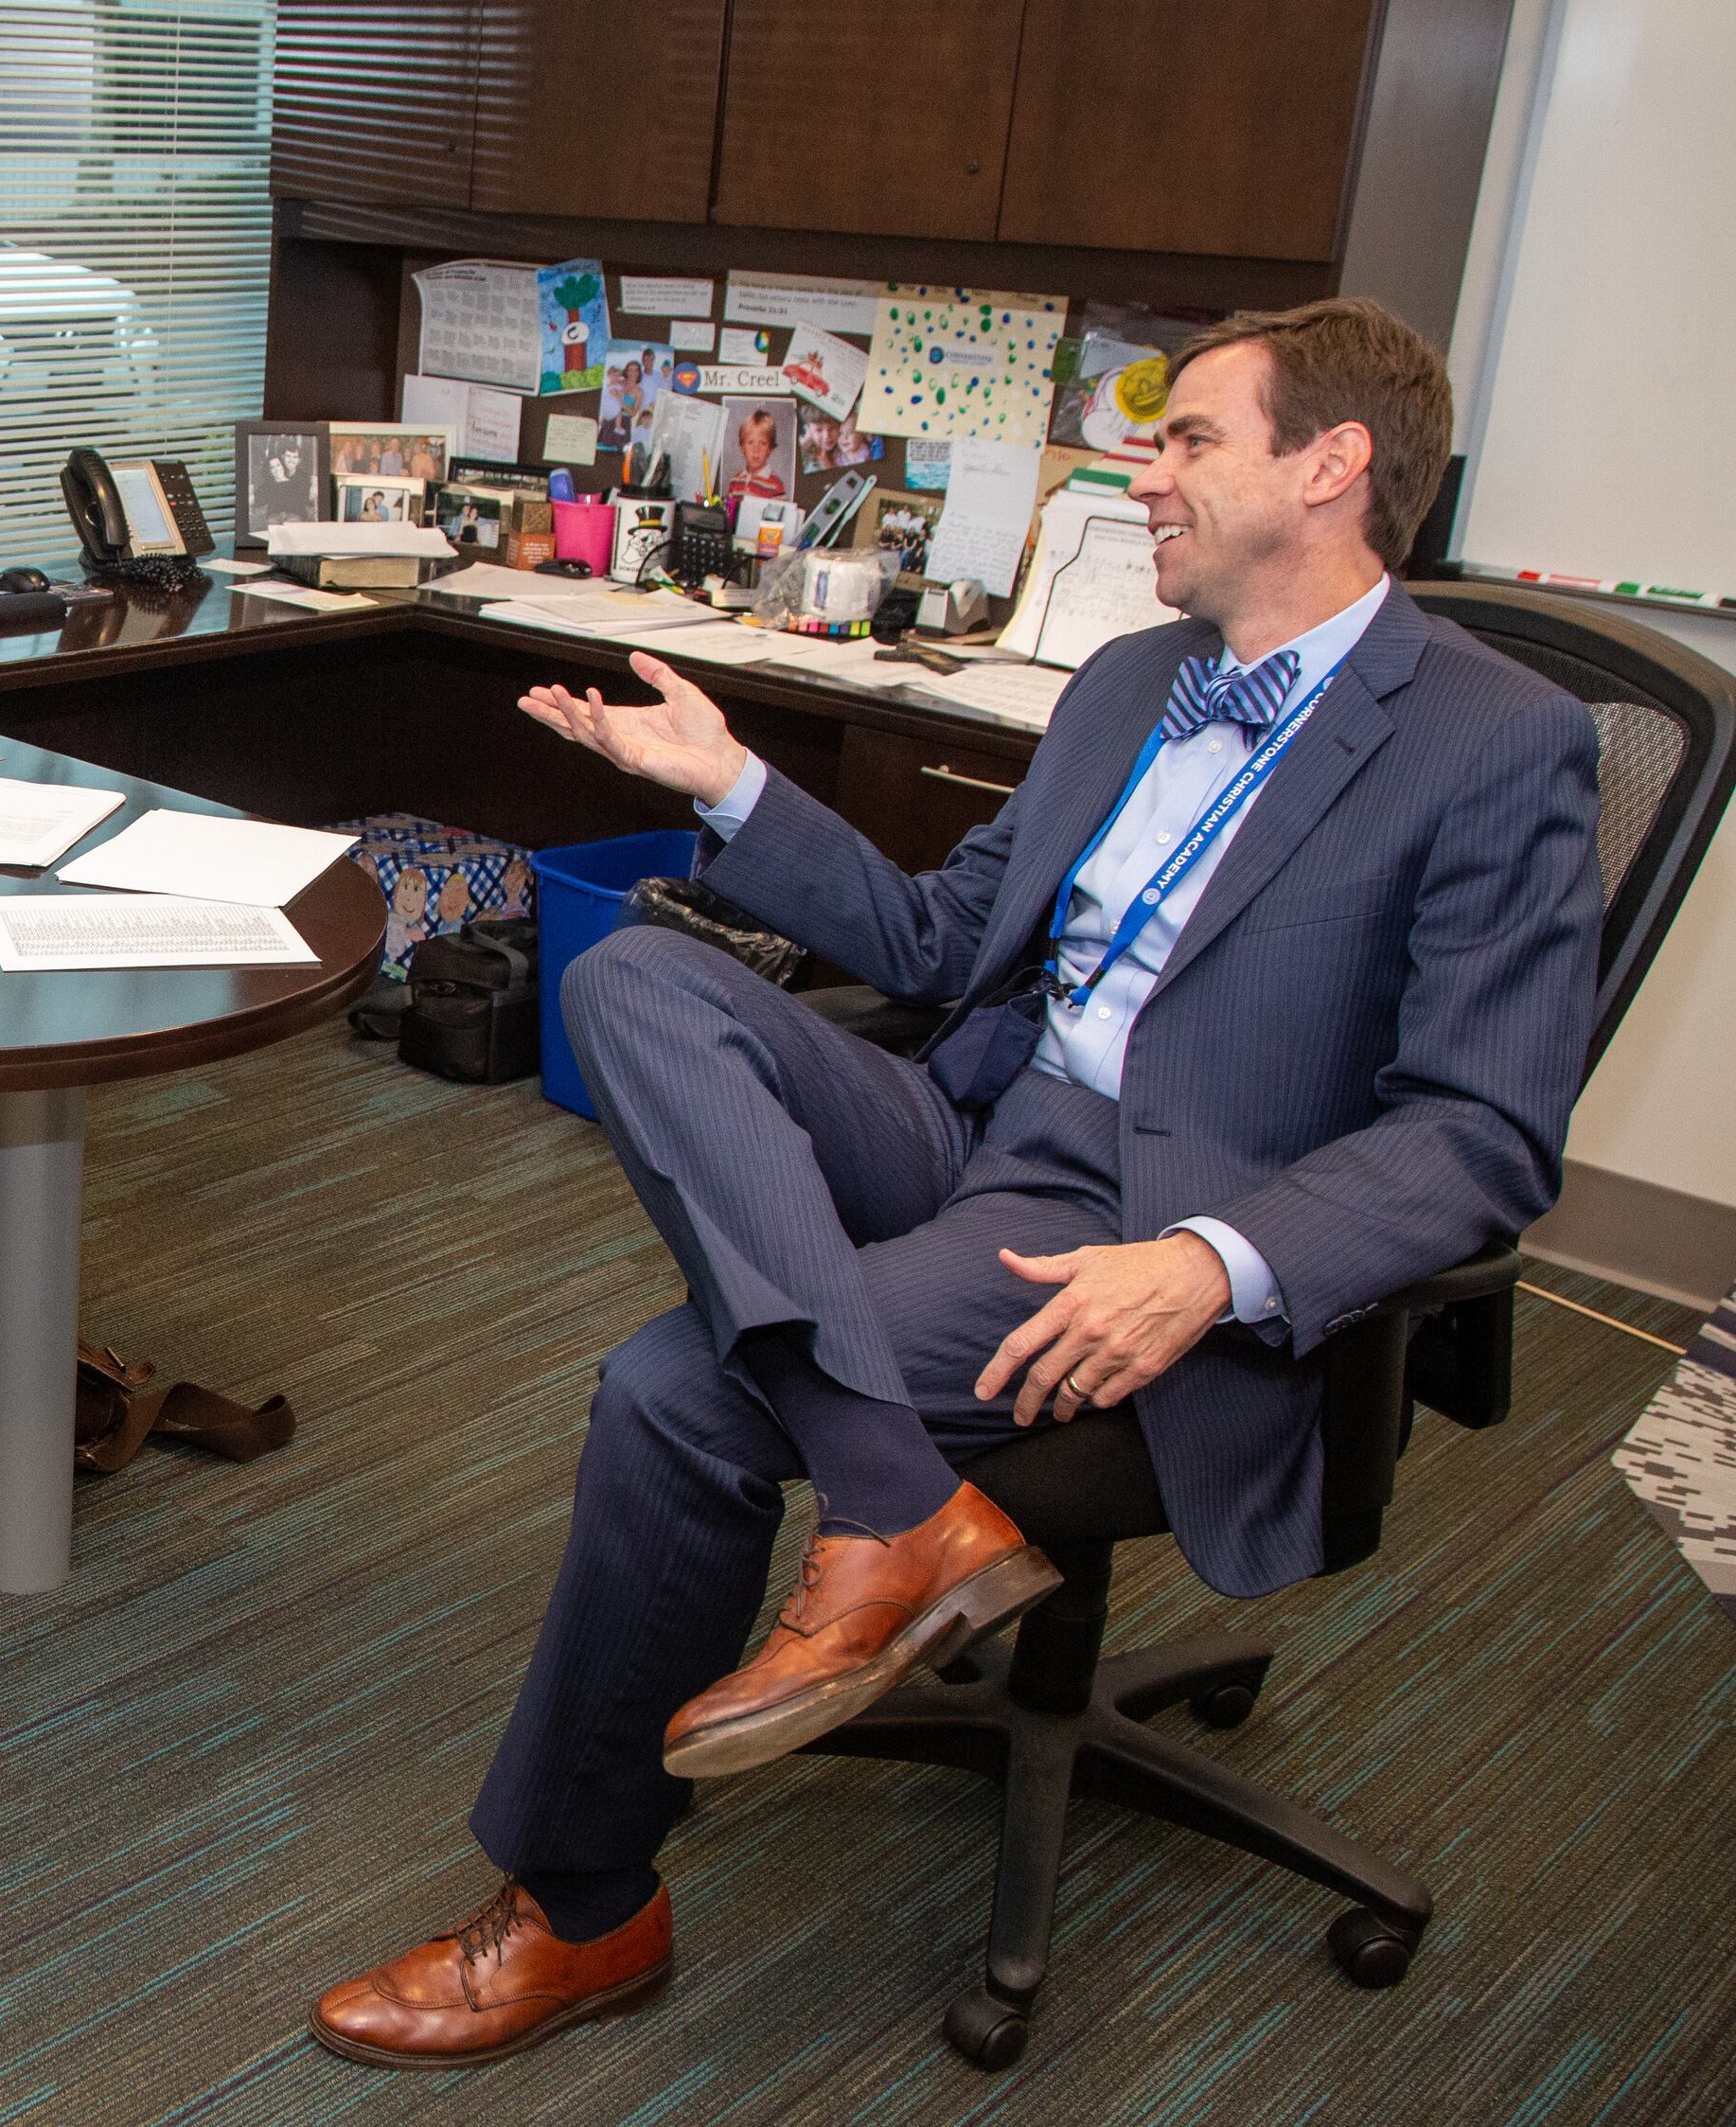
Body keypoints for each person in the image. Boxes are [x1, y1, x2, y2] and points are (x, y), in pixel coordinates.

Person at [308, 297, 1602, 2067]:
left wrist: (1214, 1264)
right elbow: (944, 935)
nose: (1144, 474)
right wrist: (735, 787)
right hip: (983, 1125)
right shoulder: (1140, 677)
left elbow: (1481, 1129)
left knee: (678, 1388)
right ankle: (901, 1499)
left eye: (1188, 439)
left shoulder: (1495, 741)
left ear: (1331, 463)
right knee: (622, 978)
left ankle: (586, 1906)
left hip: (1142, 1228)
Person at [723, 404, 789, 502]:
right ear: (742, 447)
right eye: (750, 443)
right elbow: (729, 513)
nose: (756, 450)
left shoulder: (775, 485)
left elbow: (779, 516)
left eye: (762, 443)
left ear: (770, 448)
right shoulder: (735, 481)